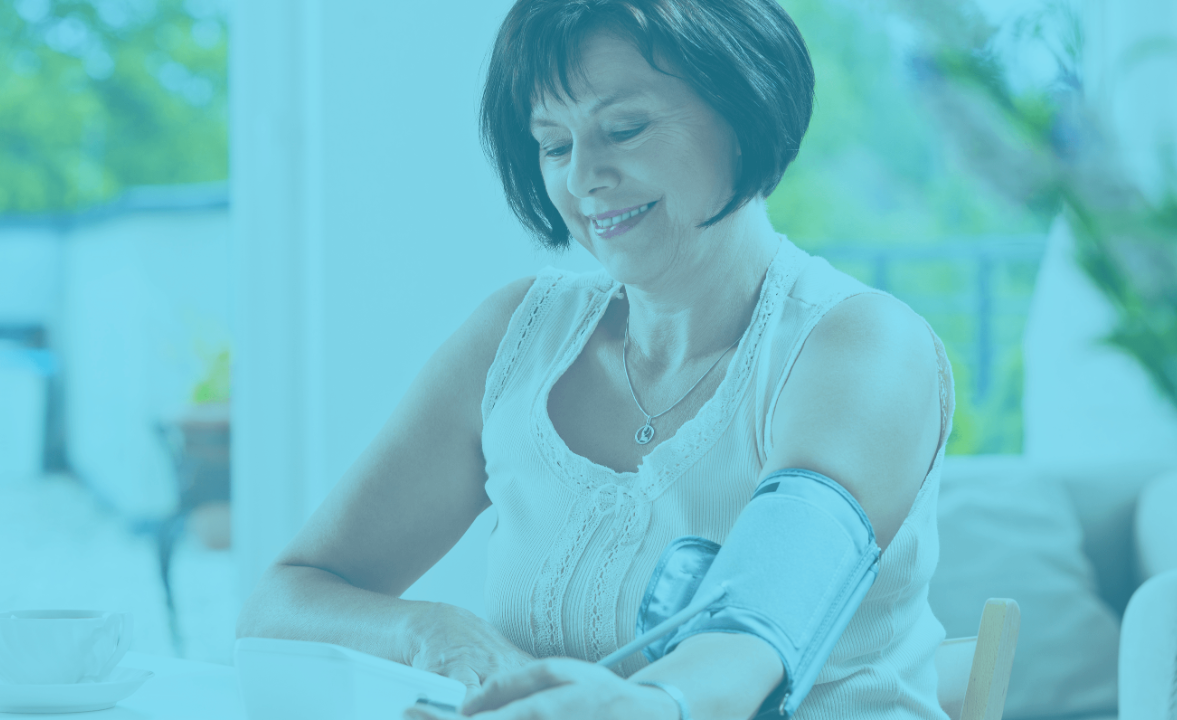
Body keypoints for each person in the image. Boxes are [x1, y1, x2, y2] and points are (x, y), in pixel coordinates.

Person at [236, 1, 954, 718]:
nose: (583, 177)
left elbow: (752, 636)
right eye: (553, 145)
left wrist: (644, 704)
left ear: (744, 109)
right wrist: (431, 630)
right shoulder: (519, 337)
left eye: (625, 128)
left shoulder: (862, 346)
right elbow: (284, 600)